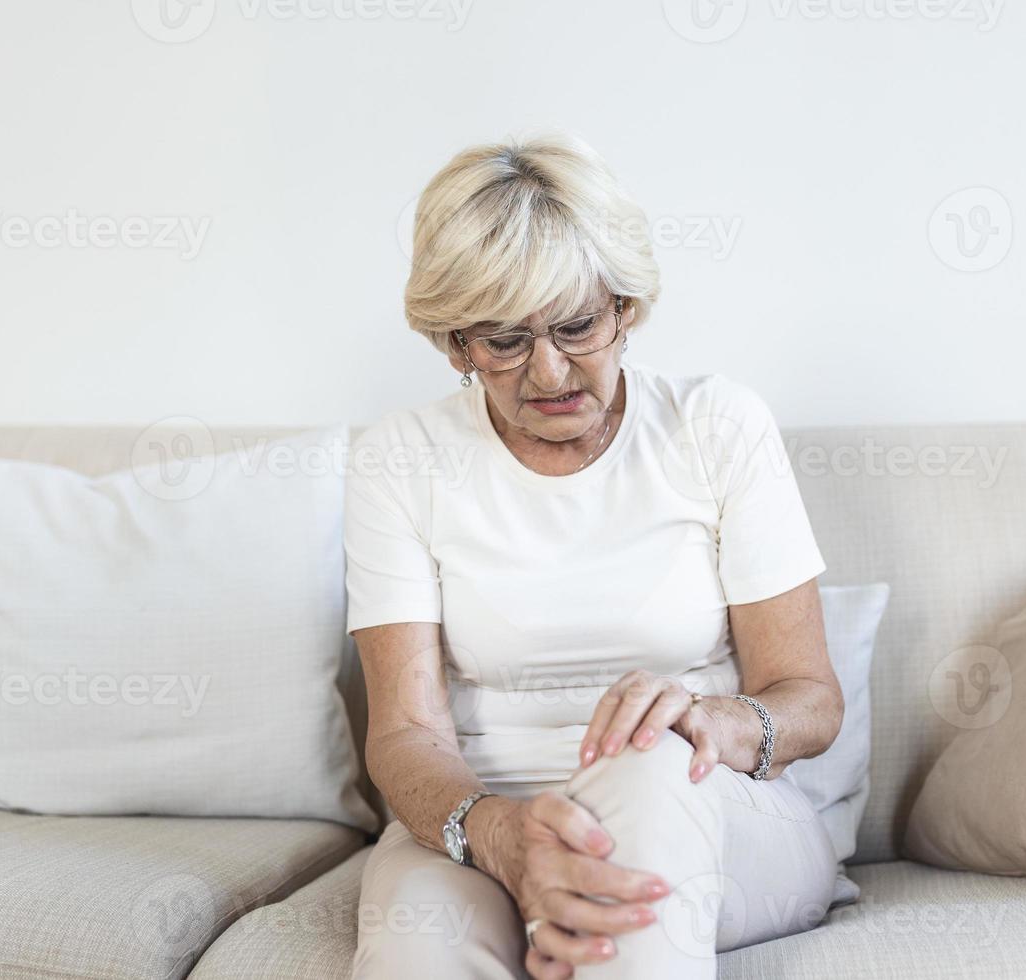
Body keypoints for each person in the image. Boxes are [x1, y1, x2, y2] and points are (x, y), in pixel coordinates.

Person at [345, 132, 845, 979]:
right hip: (483, 816)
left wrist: (709, 719)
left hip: (713, 804)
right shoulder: (402, 456)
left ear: (625, 309)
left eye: (576, 326)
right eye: (503, 341)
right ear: (456, 344)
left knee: (645, 780)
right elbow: (404, 732)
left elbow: (810, 700)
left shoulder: (716, 425)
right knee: (417, 949)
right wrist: (499, 833)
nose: (548, 372)